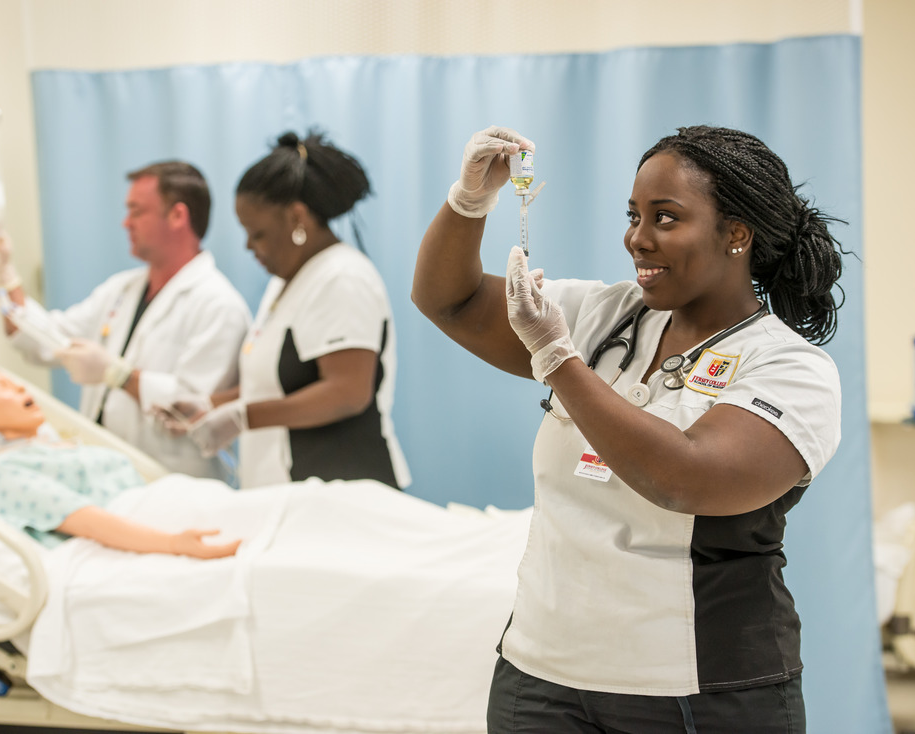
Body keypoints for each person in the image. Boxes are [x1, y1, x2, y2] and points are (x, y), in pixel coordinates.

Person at [411, 125, 846, 733]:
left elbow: (686, 478)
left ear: (736, 235)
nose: (636, 238)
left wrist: (558, 360)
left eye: (665, 218)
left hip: (699, 691)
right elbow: (447, 300)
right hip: (541, 678)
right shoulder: (602, 314)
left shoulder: (790, 368)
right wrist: (469, 200)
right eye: (633, 215)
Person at [0, 161, 251, 480]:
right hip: (102, 470)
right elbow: (43, 339)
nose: (125, 223)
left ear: (177, 216)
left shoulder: (219, 306)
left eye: (136, 211)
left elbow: (195, 410)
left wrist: (117, 375)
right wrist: (2, 272)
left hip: (170, 480)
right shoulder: (121, 290)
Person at [165, 132, 410, 490]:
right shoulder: (288, 281)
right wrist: (209, 405)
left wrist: (243, 417)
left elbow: (348, 392)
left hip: (341, 493)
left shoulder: (342, 276)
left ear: (297, 217)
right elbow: (275, 384)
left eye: (257, 233)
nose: (249, 245)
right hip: (287, 491)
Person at [0, 367, 240, 559]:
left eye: (16, 381)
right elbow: (88, 520)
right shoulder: (0, 473)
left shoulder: (59, 449)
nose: (21, 388)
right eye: (3, 387)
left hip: (175, 509)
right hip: (153, 539)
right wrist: (174, 544)